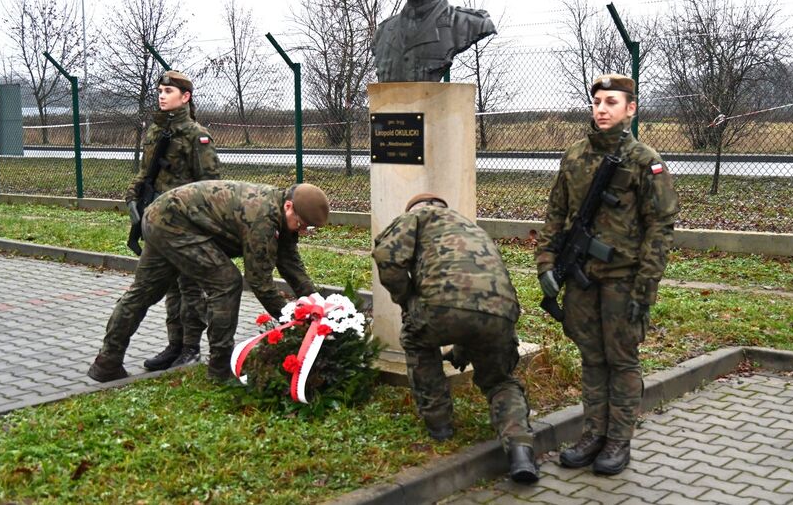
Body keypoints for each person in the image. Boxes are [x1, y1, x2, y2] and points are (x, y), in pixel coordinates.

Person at [535, 73, 679, 475]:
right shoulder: (575, 155)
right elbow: (555, 215)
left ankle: (619, 440)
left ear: (630, 109)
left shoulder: (645, 161)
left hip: (623, 279)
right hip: (582, 278)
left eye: (611, 102)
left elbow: (660, 228)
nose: (602, 109)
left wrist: (644, 288)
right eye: (597, 101)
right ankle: (592, 433)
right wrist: (547, 263)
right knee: (592, 357)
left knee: (622, 360)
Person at [88, 181, 330, 383]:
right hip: (173, 223)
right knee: (226, 283)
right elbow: (259, 281)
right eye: (301, 224)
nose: (303, 230)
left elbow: (288, 259)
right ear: (289, 206)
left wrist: (315, 300)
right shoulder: (263, 217)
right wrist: (292, 318)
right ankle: (220, 368)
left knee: (142, 293)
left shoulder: (278, 210)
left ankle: (106, 363)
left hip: (163, 216)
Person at [372, 193, 539, 484]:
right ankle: (521, 451)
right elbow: (474, 295)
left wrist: (406, 298)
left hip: (439, 307)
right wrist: (463, 348)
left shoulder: (416, 217)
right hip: (501, 313)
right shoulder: (472, 228)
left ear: (416, 207)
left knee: (417, 340)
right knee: (499, 381)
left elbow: (387, 255)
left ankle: (440, 426)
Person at [125, 70, 221, 372]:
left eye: (168, 91)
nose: (162, 95)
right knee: (171, 289)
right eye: (160, 91)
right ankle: (174, 345)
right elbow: (146, 171)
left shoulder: (197, 135)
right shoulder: (155, 131)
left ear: (186, 97)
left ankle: (191, 348)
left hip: (187, 224)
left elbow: (210, 184)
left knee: (189, 286)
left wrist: (202, 224)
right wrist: (134, 193)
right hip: (159, 220)